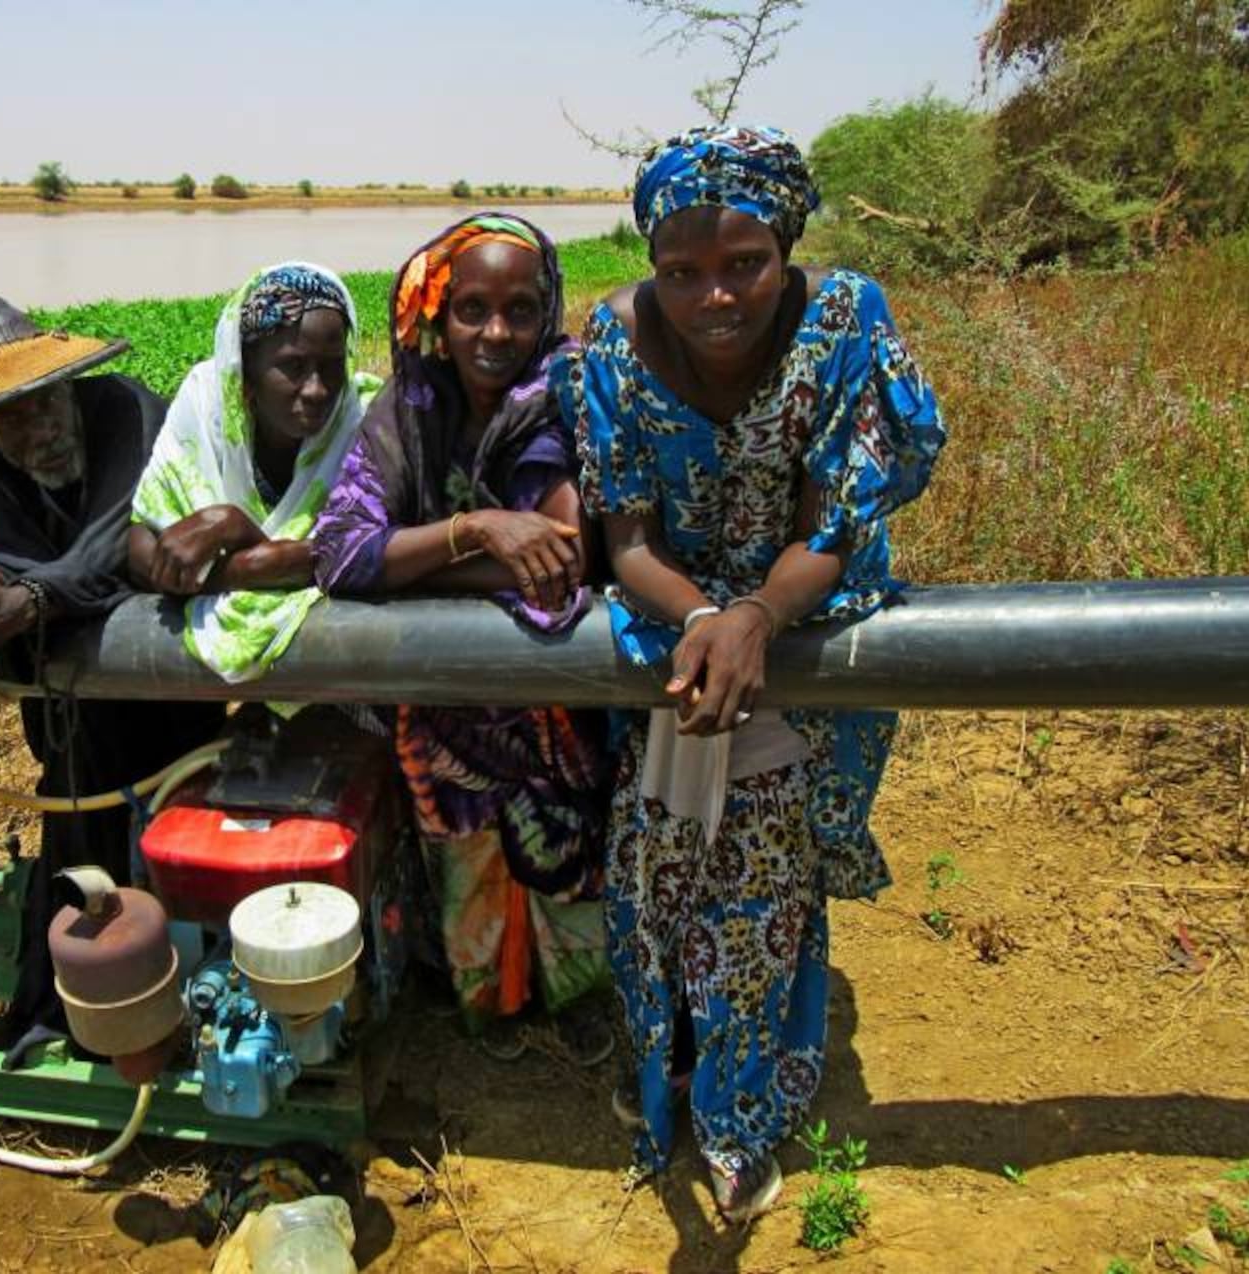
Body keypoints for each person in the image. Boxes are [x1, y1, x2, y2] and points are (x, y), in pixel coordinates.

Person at [555, 126, 947, 1221]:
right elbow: (626, 540)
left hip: (804, 624)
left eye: (743, 266)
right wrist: (704, 621)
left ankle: (738, 1116)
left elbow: (833, 522)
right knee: (656, 873)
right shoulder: (612, 342)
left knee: (761, 885)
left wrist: (757, 620)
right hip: (668, 632)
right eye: (679, 272)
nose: (712, 297)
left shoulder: (843, 323)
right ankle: (661, 1076)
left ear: (786, 244)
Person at [311, 213, 612, 1064]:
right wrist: (479, 530)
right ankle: (489, 1001)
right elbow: (338, 555)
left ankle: (576, 1000)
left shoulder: (562, 395)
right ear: (436, 315)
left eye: (520, 309)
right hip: (447, 712)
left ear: (546, 309)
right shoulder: (404, 411)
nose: (496, 333)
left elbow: (564, 560)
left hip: (553, 700)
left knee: (568, 857)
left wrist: (414, 557)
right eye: (471, 309)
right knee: (466, 858)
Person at [0, 275, 225, 1027]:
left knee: (177, 829)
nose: (30, 431)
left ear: (68, 386)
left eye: (41, 404)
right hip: (74, 706)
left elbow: (120, 539)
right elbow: (10, 554)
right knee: (79, 833)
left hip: (168, 685)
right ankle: (74, 1002)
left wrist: (29, 601)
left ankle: (183, 993)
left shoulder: (125, 410)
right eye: (4, 420)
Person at [129, 262, 380, 680]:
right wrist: (258, 565)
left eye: (333, 364)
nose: (319, 389)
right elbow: (142, 541)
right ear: (244, 375)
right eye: (293, 367)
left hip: (347, 679)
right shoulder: (205, 405)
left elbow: (373, 550)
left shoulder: (366, 420)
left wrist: (233, 536)